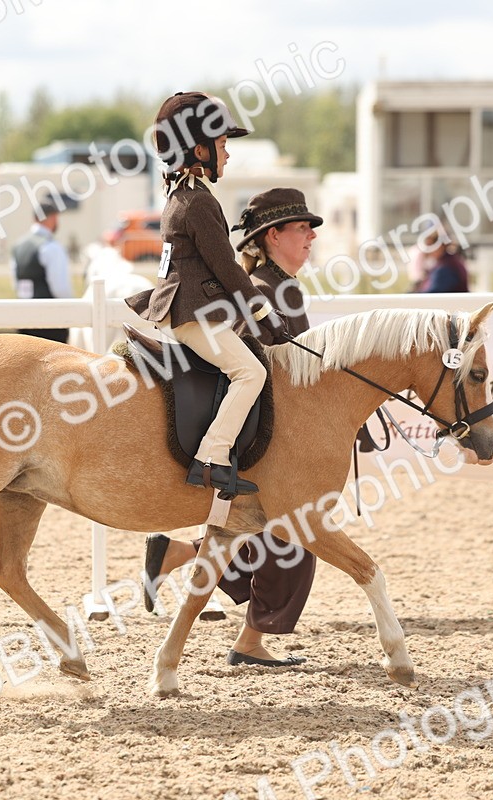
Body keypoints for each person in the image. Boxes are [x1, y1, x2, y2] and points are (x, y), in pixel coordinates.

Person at [143, 188, 323, 667]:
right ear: (271, 236)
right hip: (264, 437)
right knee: (293, 536)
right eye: (301, 228)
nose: (310, 237)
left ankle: (181, 557)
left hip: (271, 431)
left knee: (268, 534)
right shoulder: (262, 291)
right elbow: (261, 375)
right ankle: (247, 638)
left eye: (311, 229)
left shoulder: (280, 285)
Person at [126, 92, 284, 495]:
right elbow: (227, 267)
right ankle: (211, 457)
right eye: (222, 145)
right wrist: (264, 315)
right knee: (251, 372)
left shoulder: (180, 195)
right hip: (194, 314)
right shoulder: (197, 202)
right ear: (200, 149)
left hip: (189, 308)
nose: (227, 155)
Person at [12, 198, 74, 343]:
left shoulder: (18, 245)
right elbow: (60, 288)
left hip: (23, 315)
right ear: (52, 217)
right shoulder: (51, 247)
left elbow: (15, 283)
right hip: (50, 318)